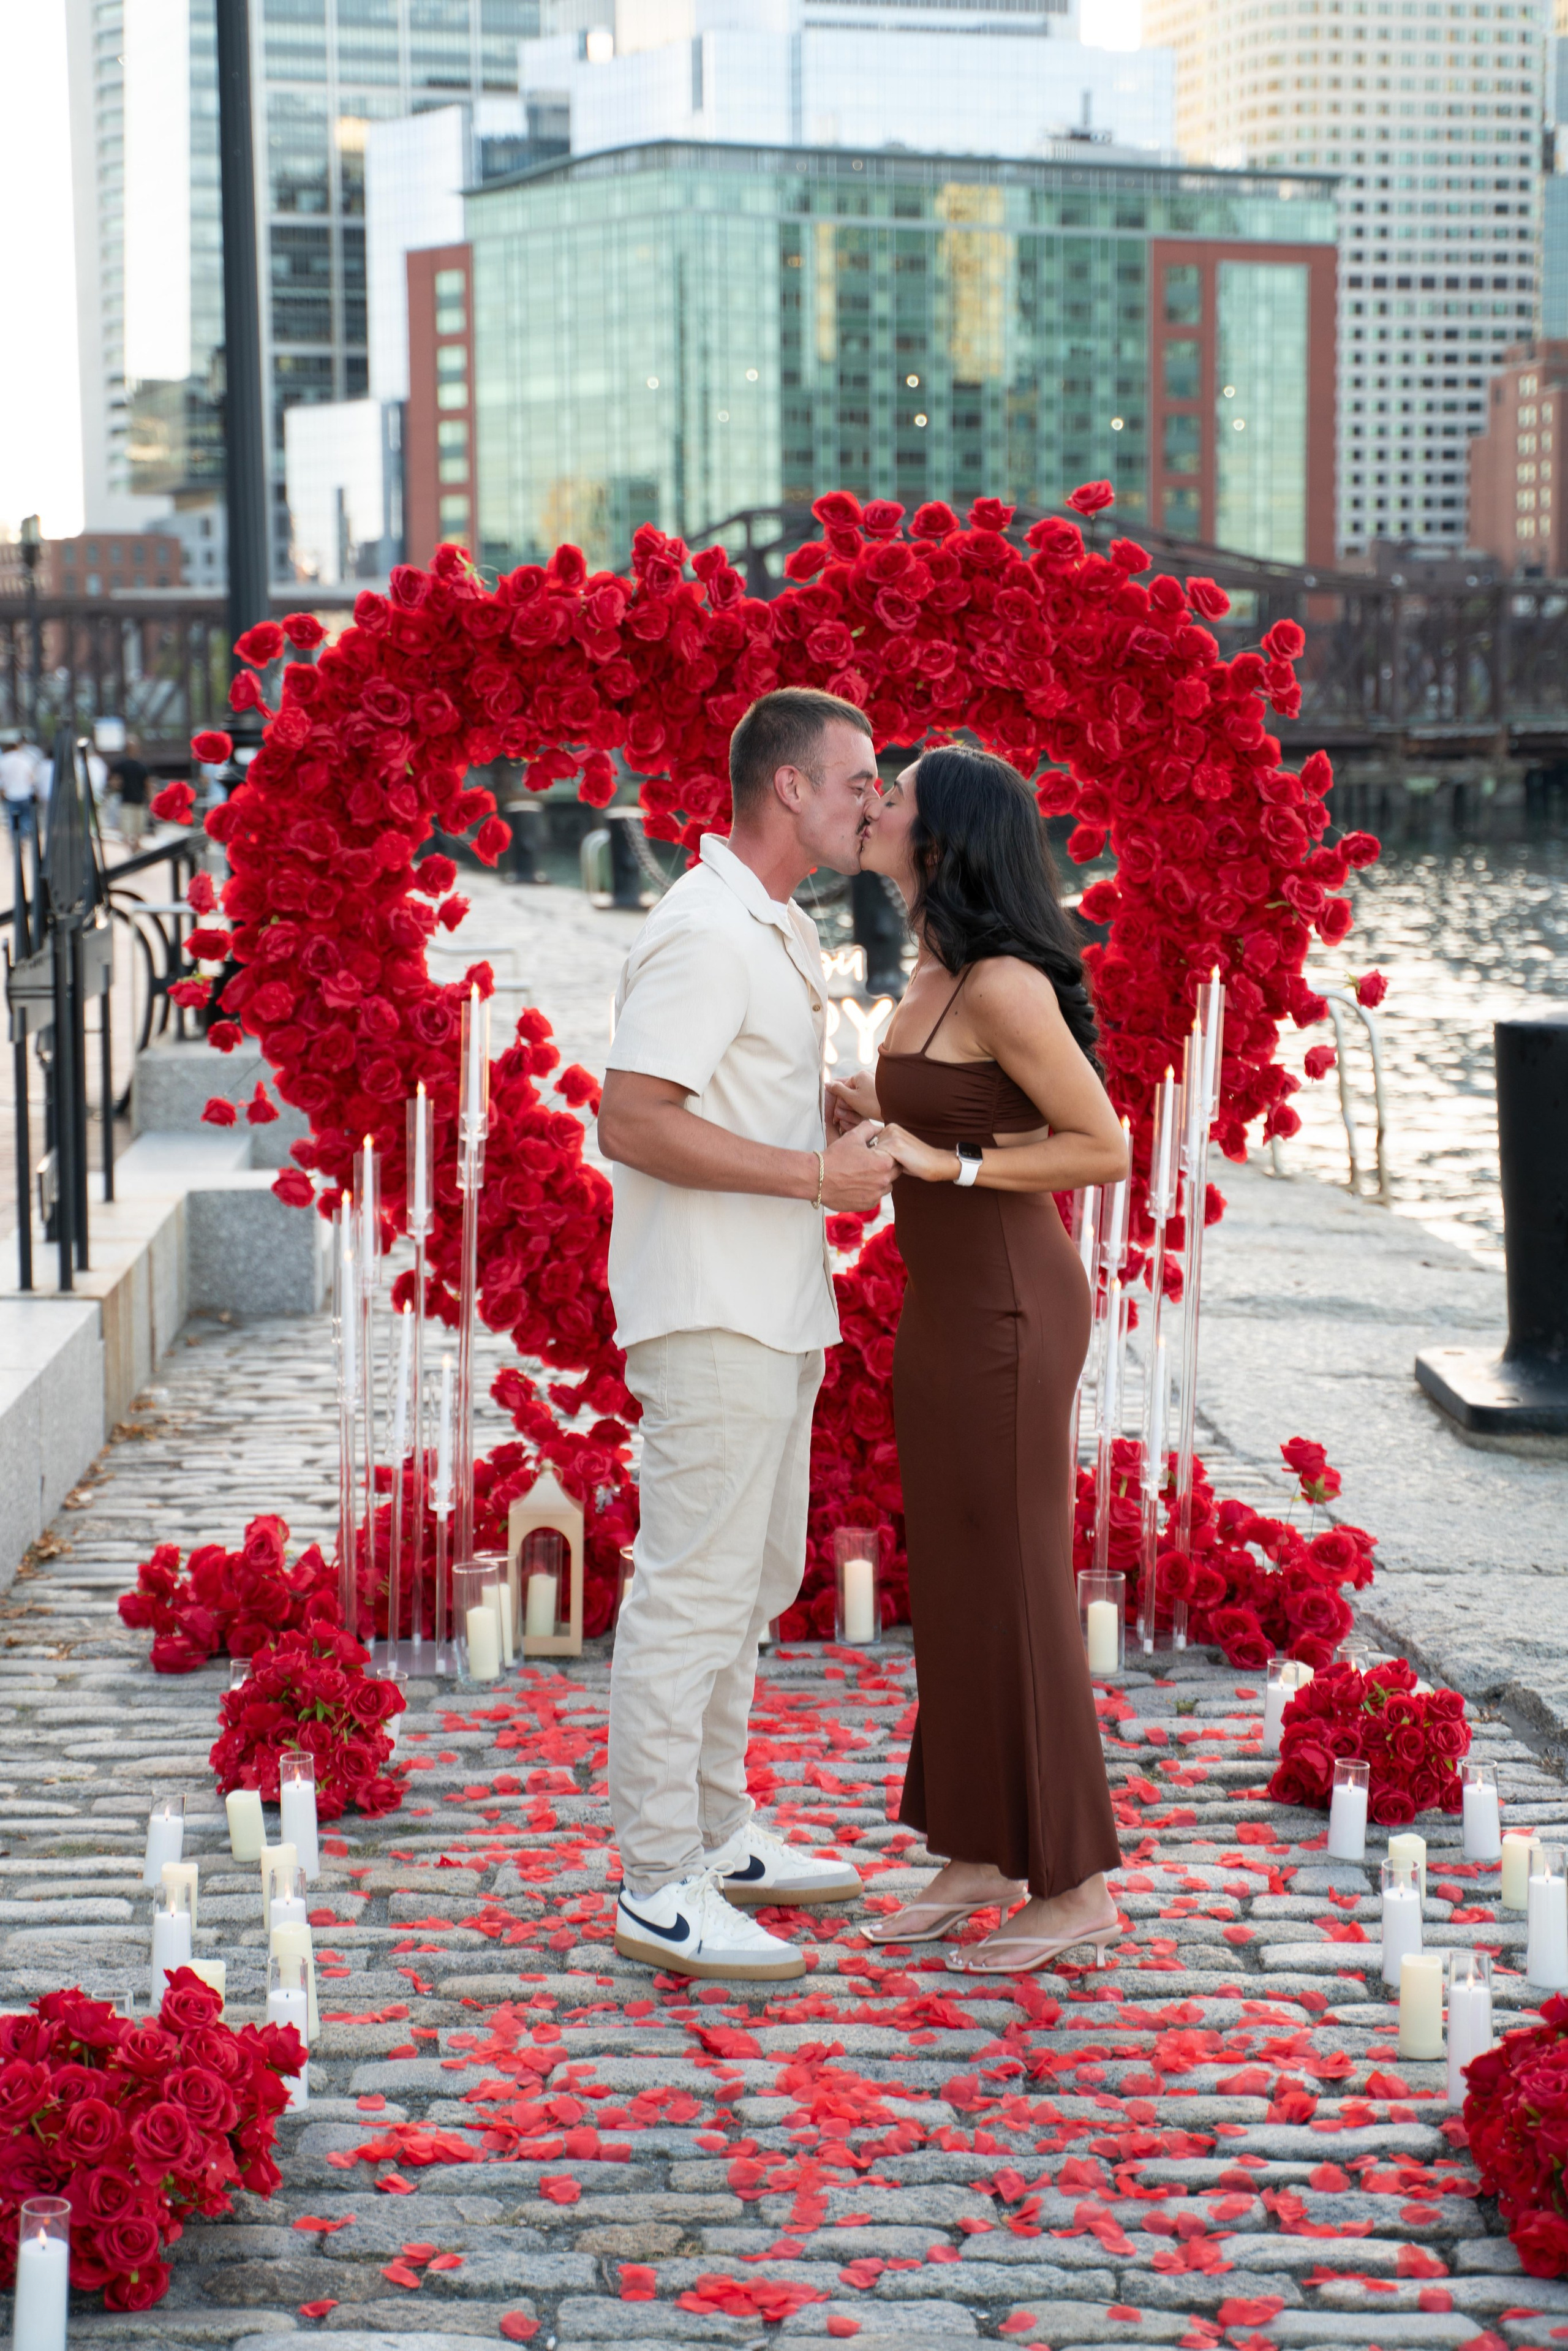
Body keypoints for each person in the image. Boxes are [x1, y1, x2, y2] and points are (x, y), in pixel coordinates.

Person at [597, 687, 897, 1982]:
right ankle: (657, 1879)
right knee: (693, 1589)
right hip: (711, 1305)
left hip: (768, 1303)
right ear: (788, 785)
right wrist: (812, 1177)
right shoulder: (708, 929)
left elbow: (718, 1091)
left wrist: (811, 1102)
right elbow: (631, 1117)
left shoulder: (767, 922)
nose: (871, 802)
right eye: (855, 780)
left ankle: (717, 1831)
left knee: (756, 1572)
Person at [829, 744, 1129, 1974]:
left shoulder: (1003, 979)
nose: (873, 804)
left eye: (891, 795)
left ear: (940, 835)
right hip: (946, 1303)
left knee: (1011, 1577)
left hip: (1010, 1302)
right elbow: (938, 1111)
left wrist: (947, 1163)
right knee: (952, 1573)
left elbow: (1097, 1144)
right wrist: (865, 1108)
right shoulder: (932, 969)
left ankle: (1074, 1885)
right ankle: (972, 1849)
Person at [108, 734, 149, 849]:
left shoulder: (141, 766)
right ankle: (132, 851)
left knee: (137, 830)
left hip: (137, 802)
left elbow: (147, 784)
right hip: (127, 802)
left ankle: (133, 850)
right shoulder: (123, 765)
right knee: (129, 830)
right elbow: (115, 782)